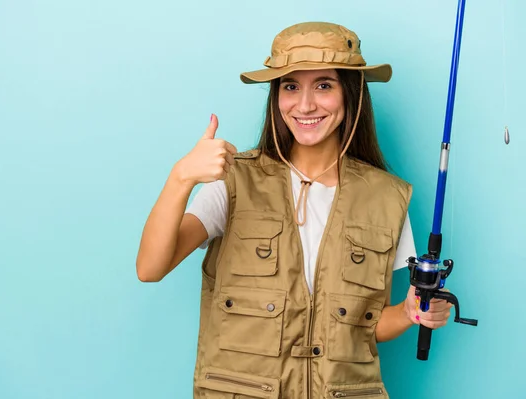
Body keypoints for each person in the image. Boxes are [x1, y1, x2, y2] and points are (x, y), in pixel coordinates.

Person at [136, 21, 452, 398]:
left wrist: (409, 313)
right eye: (290, 86)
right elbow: (150, 268)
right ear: (276, 96)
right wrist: (181, 177)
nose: (305, 105)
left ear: (350, 94)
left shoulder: (387, 198)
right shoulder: (234, 181)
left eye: (323, 85)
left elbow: (364, 328)